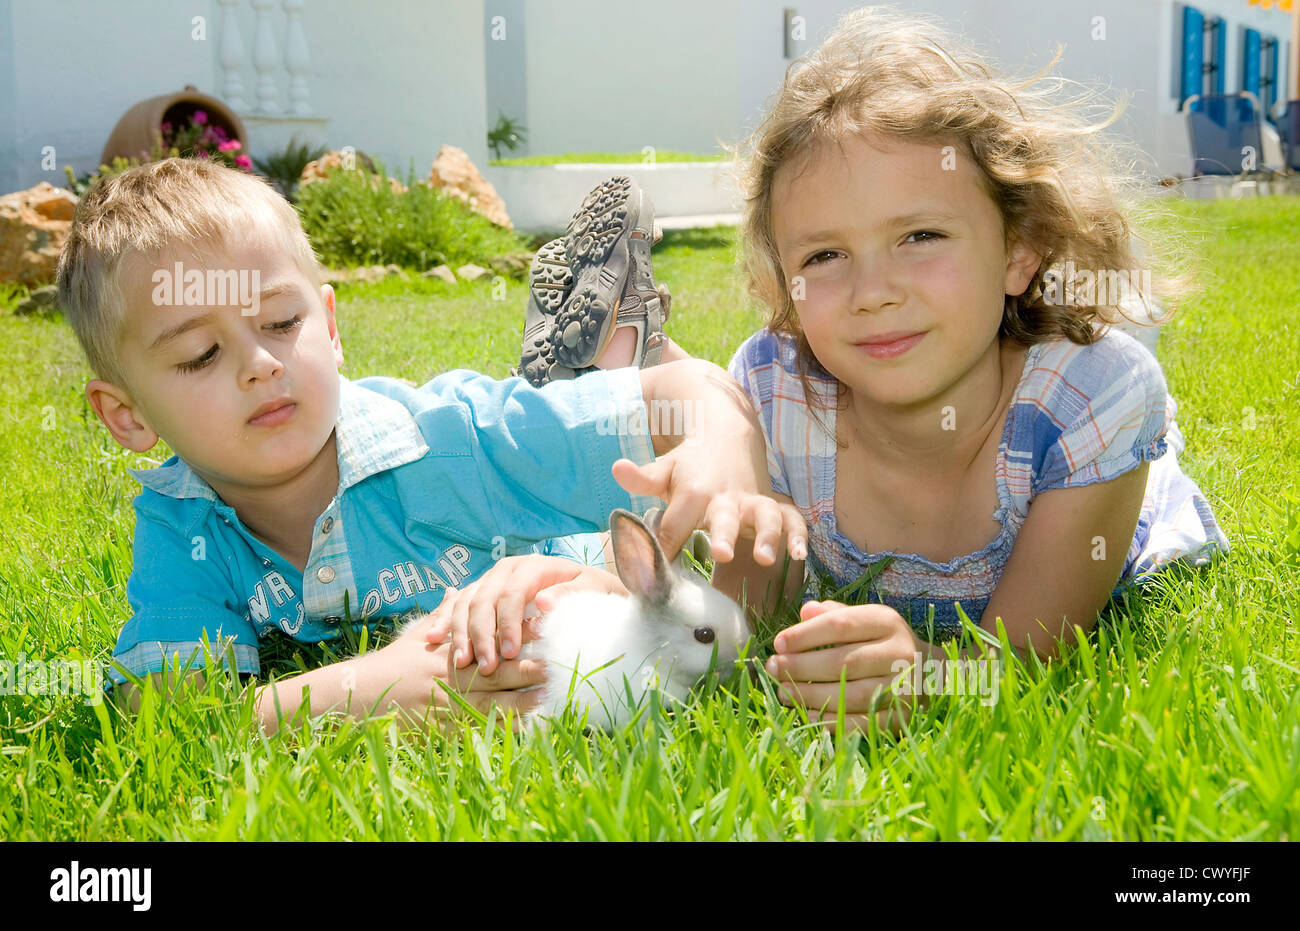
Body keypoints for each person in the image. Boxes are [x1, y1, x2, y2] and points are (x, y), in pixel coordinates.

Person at [434, 5, 1229, 735]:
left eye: (920, 236)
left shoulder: (1091, 406)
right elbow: (742, 628)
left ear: (1019, 249)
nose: (874, 293)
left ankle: (634, 348)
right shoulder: (782, 397)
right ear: (786, 285)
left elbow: (1018, 665)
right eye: (825, 255)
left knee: (1138, 418)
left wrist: (931, 678)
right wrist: (582, 588)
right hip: (757, 413)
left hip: (1100, 483)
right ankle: (634, 358)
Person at [56, 156, 803, 735]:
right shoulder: (181, 525)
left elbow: (696, 396)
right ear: (126, 415)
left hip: (543, 494)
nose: (261, 363)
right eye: (198, 356)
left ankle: (624, 344)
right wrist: (367, 689)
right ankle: (604, 346)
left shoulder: (455, 438)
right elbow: (170, 712)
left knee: (583, 416)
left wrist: (725, 451)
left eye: (282, 323)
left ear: (332, 327)